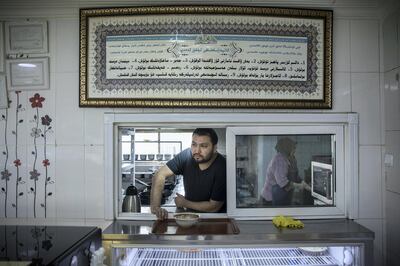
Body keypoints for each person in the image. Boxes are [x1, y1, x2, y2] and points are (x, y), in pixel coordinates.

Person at [150, 128, 226, 220]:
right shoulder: (187, 155)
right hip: (190, 218)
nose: (197, 151)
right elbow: (160, 175)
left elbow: (214, 206)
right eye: (194, 144)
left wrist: (184, 203)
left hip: (215, 220)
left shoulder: (222, 166)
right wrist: (155, 208)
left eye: (204, 146)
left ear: (214, 148)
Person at [261, 137, 309, 206]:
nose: (295, 150)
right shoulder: (279, 159)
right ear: (287, 148)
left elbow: (295, 176)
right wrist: (300, 186)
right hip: (270, 200)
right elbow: (283, 184)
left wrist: (302, 182)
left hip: (284, 197)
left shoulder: (292, 159)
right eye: (293, 148)